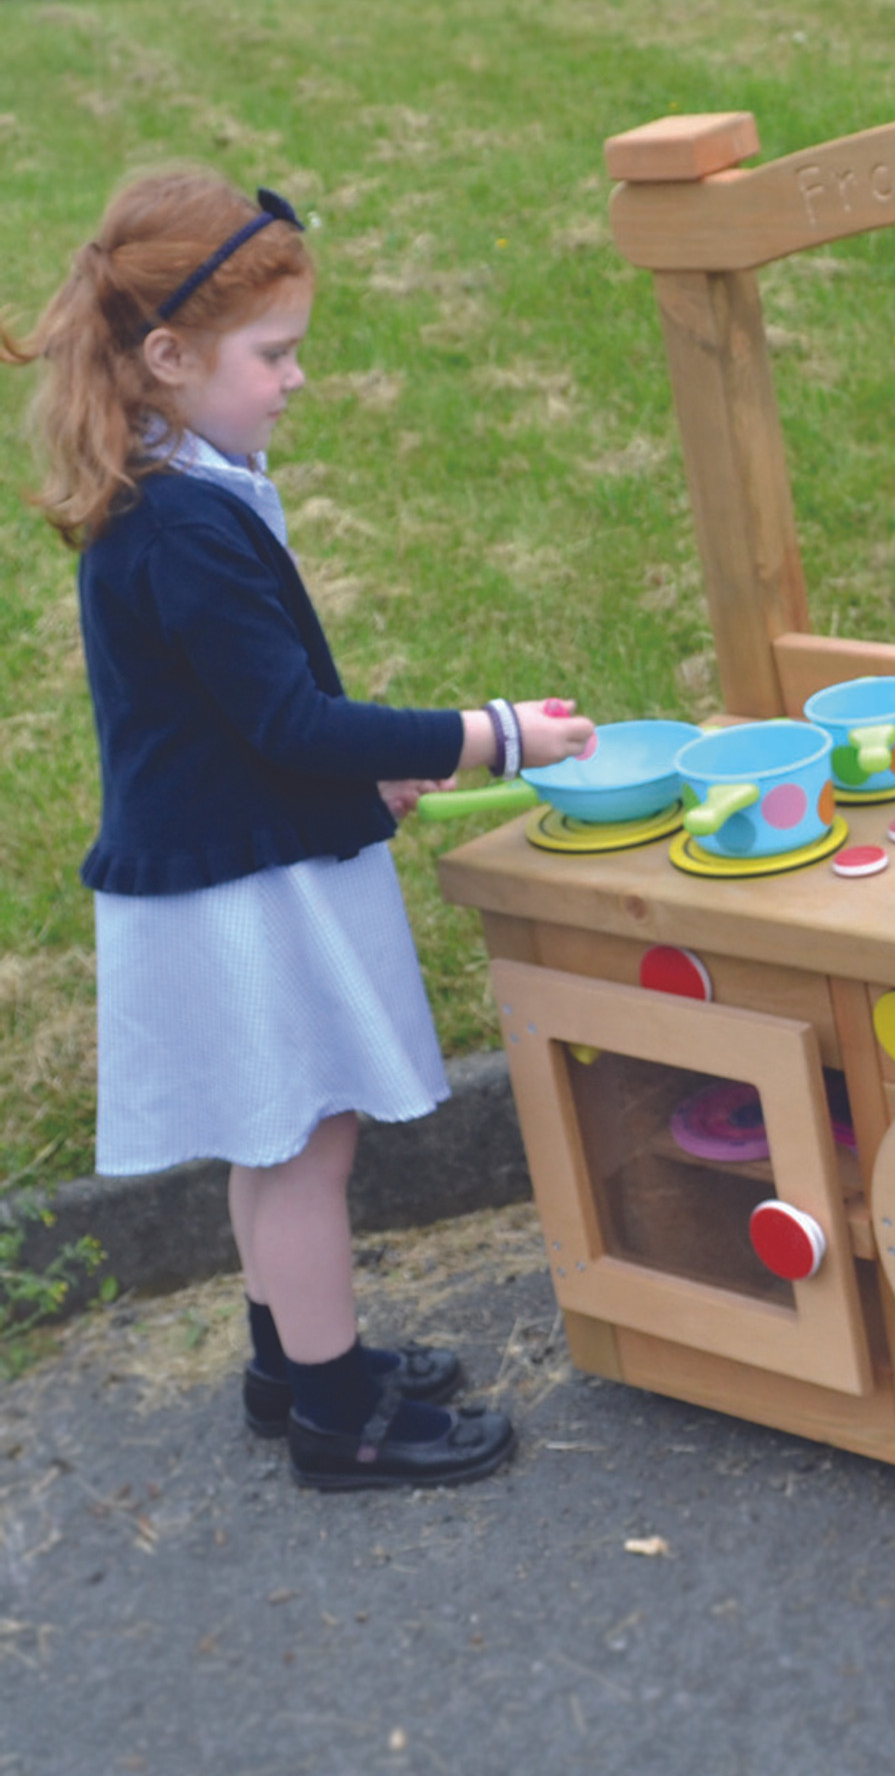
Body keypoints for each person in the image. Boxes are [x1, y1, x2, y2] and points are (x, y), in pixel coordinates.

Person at [3, 168, 593, 1490]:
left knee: (279, 1138)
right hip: (236, 891)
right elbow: (290, 726)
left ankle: (294, 1366)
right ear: (166, 356)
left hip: (230, 855)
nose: (296, 380)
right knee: (307, 1145)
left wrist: (361, 788)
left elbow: (234, 726)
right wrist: (490, 732)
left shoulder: (176, 490)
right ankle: (337, 1416)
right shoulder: (184, 528)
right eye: (273, 355)